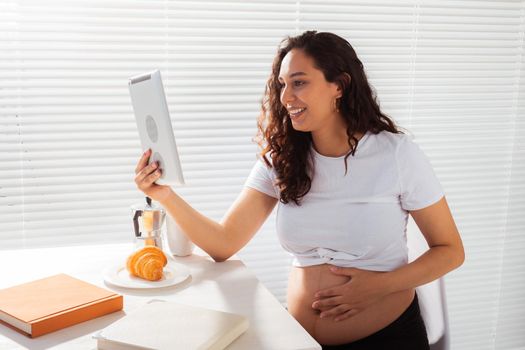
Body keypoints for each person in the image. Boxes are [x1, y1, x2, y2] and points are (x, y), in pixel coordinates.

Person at [134, 30, 465, 350]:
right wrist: (165, 194)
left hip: (387, 339)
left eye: (299, 82)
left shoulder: (395, 154)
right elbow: (223, 243)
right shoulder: (282, 160)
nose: (285, 97)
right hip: (301, 342)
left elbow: (450, 250)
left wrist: (379, 287)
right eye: (282, 85)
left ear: (340, 85)